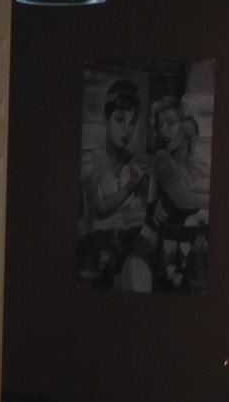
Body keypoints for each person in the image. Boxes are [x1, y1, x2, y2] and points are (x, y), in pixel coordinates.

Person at [78, 76, 156, 291]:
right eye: (120, 119)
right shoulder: (90, 161)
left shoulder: (134, 164)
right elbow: (100, 210)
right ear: (106, 118)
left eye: (132, 122)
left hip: (125, 253)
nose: (127, 129)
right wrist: (132, 185)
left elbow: (145, 215)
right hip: (93, 255)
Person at [142, 96, 212, 294]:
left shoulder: (197, 165)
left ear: (186, 125)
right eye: (160, 126)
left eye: (171, 123)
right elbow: (183, 199)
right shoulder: (163, 159)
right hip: (168, 254)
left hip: (194, 251)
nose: (164, 131)